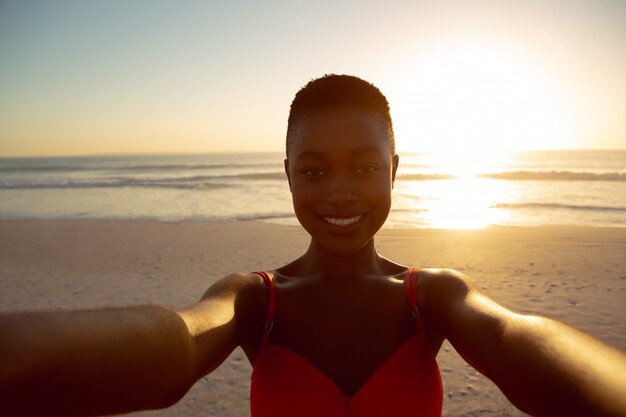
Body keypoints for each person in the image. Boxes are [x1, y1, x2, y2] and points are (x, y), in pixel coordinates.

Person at [1, 74, 626, 417]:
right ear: (289, 174)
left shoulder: (430, 295)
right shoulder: (255, 300)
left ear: (394, 170)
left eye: (363, 167)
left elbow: (518, 343)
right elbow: (177, 347)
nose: (341, 194)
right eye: (315, 170)